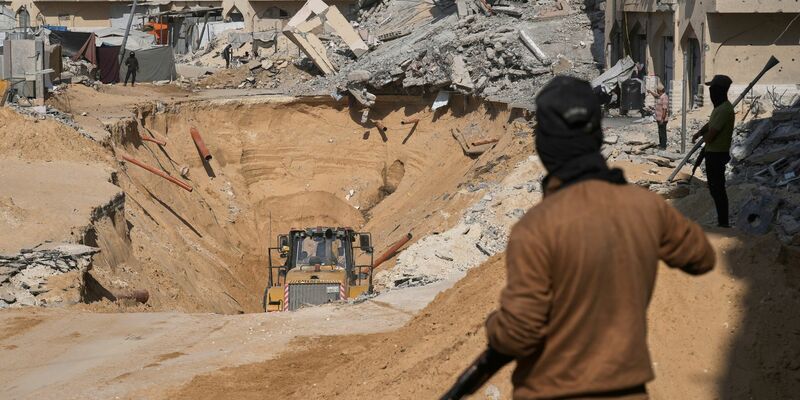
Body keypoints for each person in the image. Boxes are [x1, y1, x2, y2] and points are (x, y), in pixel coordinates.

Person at [483, 76, 716, 399]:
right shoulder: (646, 207)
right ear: (597, 135)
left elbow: (517, 334)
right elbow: (700, 256)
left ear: (545, 145)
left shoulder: (537, 228)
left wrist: (495, 325)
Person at [692, 75, 735, 228]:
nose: (710, 93)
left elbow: (710, 136)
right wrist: (698, 133)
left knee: (718, 190)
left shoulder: (724, 110)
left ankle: (723, 223)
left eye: (712, 90)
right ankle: (722, 221)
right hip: (712, 153)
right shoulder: (719, 108)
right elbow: (710, 124)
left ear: (719, 91)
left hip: (717, 155)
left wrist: (703, 137)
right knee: (714, 188)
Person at [648, 83, 669, 149]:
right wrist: (650, 92)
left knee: (662, 132)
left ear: (660, 90)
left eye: (657, 90)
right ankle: (661, 144)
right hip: (658, 118)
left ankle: (663, 146)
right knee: (660, 132)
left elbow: (665, 109)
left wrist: (662, 119)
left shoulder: (664, 97)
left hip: (662, 119)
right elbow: (656, 96)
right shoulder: (661, 96)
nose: (657, 91)